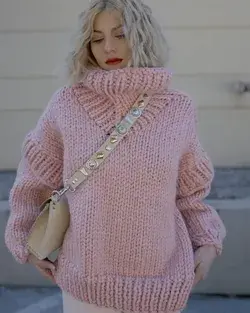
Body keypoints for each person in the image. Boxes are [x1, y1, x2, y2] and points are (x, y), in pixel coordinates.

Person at [5, 0, 226, 312]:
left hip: (161, 285)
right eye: (96, 38)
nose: (108, 46)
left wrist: (207, 244)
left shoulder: (178, 108)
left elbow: (190, 194)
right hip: (85, 287)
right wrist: (26, 239)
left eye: (120, 34)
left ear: (142, 36)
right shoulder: (66, 104)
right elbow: (35, 178)